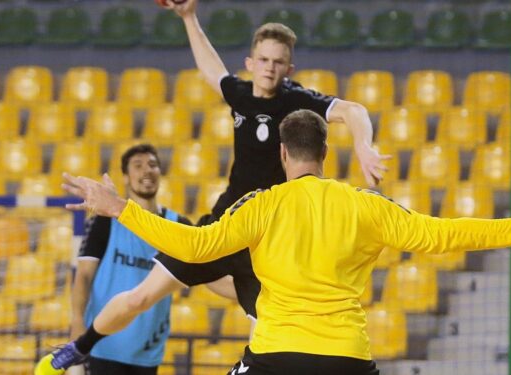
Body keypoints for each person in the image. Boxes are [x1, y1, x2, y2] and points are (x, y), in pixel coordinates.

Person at [54, 110, 511, 375]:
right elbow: (445, 234)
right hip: (347, 359)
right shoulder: (366, 205)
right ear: (326, 152)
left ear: (284, 154)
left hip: (276, 356)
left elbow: (195, 248)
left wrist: (118, 207)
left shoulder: (262, 204)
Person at [36, 0, 386, 372]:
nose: (269, 68)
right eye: (263, 60)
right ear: (251, 63)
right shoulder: (239, 94)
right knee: (142, 296)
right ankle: (79, 347)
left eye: (278, 61)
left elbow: (353, 111)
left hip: (263, 241)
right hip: (222, 228)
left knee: (267, 334)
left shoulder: (297, 100)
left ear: (289, 67)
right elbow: (211, 69)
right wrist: (189, 17)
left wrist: (364, 144)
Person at [61, 144, 199, 375]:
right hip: (102, 346)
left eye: (152, 165)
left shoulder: (178, 225)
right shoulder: (104, 221)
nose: (147, 171)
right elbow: (83, 276)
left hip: (147, 350)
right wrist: (77, 321)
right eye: (138, 166)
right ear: (125, 177)